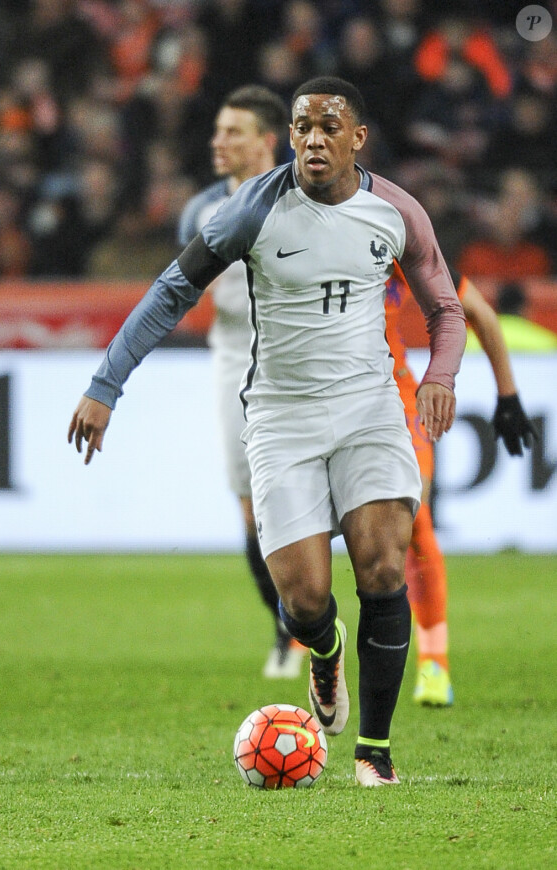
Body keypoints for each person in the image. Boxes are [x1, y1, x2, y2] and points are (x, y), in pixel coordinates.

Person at [68, 76, 466, 787]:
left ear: (357, 138)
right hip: (282, 417)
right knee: (305, 601)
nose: (313, 138)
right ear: (290, 137)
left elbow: (447, 309)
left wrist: (439, 377)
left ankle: (374, 752)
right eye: (302, 126)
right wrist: (106, 385)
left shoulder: (396, 211)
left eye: (328, 126)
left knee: (382, 565)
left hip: (371, 406)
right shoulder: (249, 211)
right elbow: (170, 291)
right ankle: (323, 648)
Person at [178, 84, 306, 679]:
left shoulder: (308, 199)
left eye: (233, 131)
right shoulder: (201, 213)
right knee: (252, 513)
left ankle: (314, 619)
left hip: (304, 357)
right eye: (217, 130)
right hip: (234, 358)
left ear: (267, 139)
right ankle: (288, 626)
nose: (218, 141)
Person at [386, 264, 538, 706]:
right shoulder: (304, 234)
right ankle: (319, 642)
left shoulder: (397, 233)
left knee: (413, 523)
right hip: (319, 401)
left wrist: (507, 396)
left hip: (394, 401)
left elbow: (478, 313)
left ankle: (434, 664)